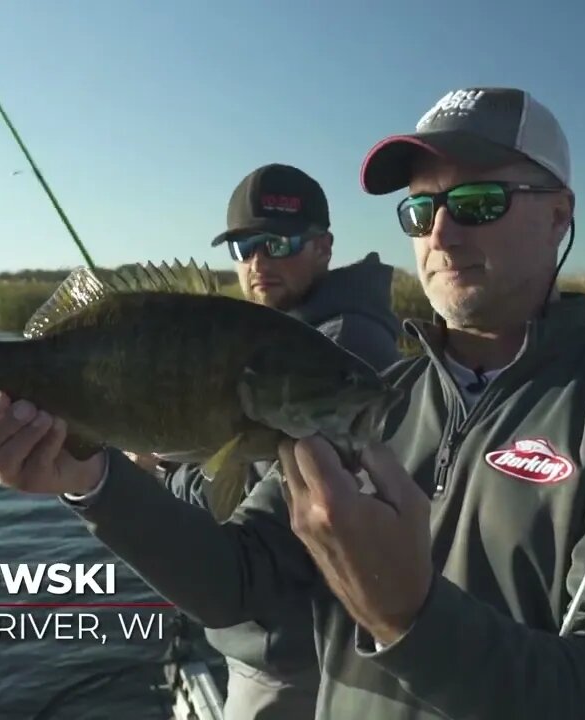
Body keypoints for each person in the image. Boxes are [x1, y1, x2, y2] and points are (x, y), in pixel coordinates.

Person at [0, 86, 585, 718]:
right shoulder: (375, 399)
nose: (440, 230)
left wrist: (411, 616)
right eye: (419, 209)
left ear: (560, 214)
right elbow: (237, 581)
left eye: (476, 202)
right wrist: (93, 482)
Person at [127, 162, 402, 720]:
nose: (258, 262)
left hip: (304, 657)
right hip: (274, 639)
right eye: (244, 246)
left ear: (324, 246)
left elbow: (242, 512)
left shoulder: (340, 350)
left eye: (277, 242)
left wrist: (159, 471)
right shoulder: (281, 333)